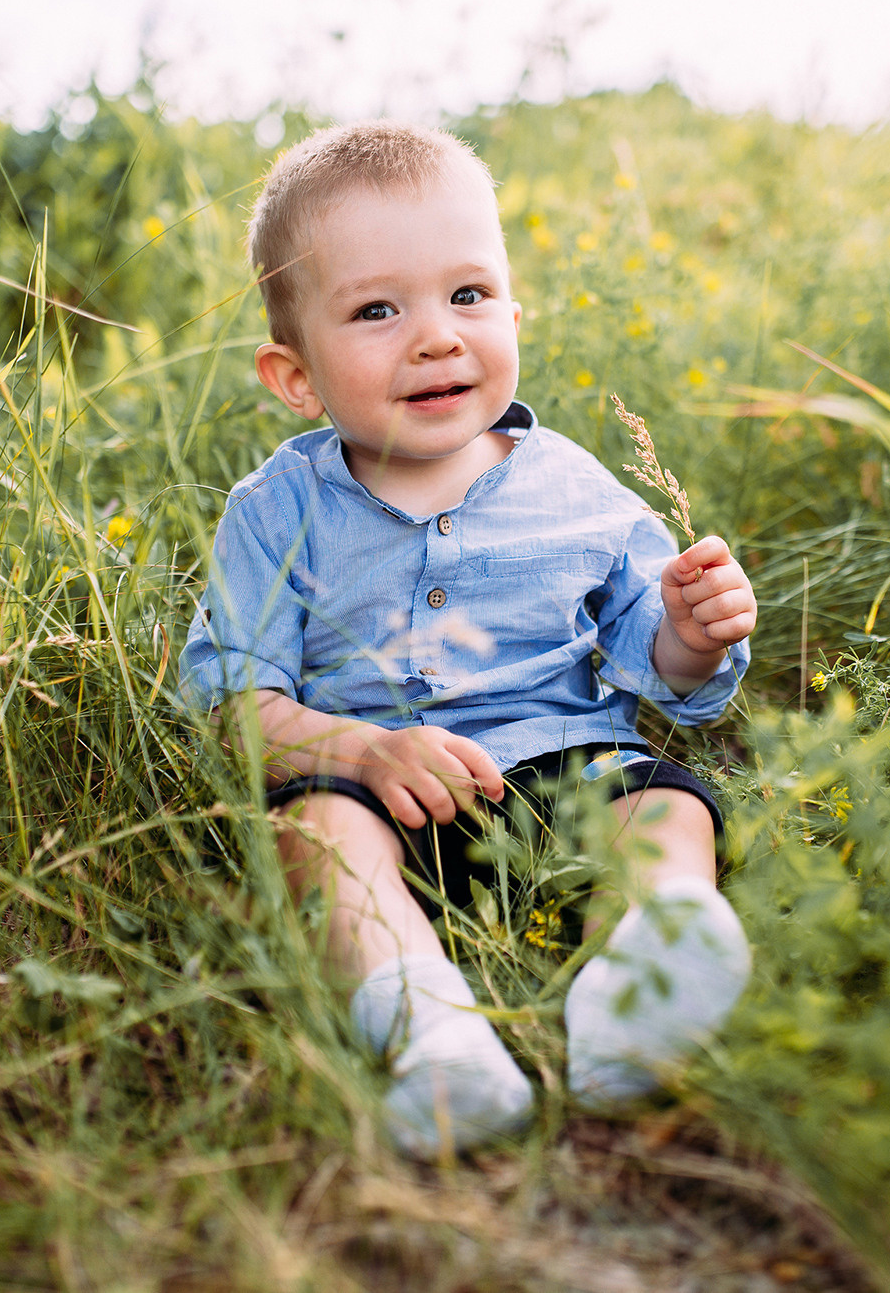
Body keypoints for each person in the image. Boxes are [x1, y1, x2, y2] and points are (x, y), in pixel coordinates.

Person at [181, 120, 756, 1158]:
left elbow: (662, 680)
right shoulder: (276, 512)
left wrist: (688, 635)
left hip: (564, 776)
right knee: (309, 841)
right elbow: (237, 714)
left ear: (510, 305)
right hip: (377, 795)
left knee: (663, 805)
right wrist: (358, 751)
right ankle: (431, 1032)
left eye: (468, 295)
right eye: (374, 310)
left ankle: (642, 985)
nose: (437, 336)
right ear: (296, 376)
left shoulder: (576, 489)